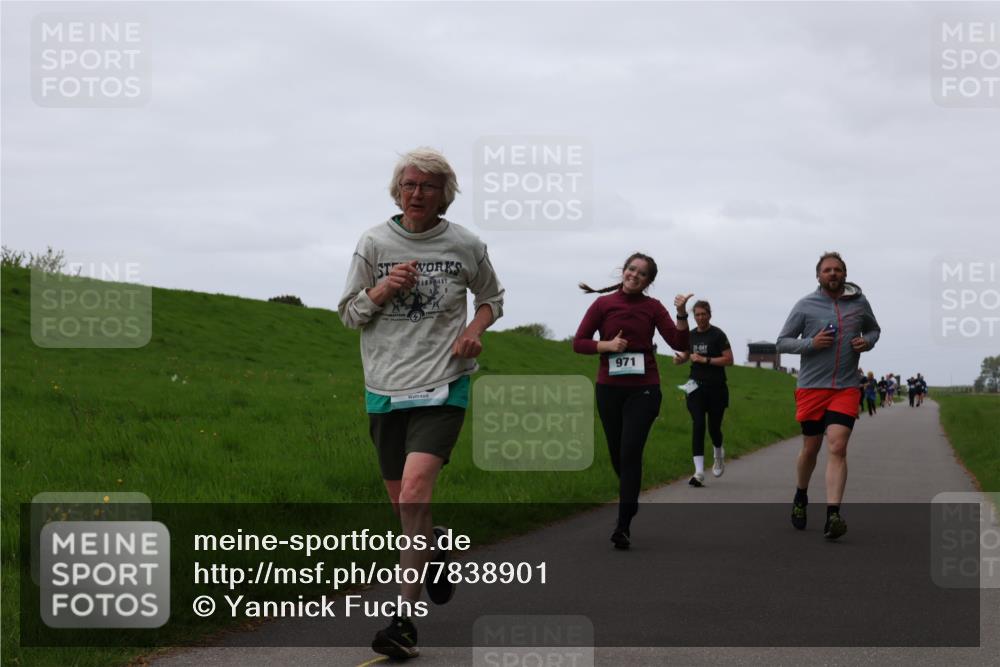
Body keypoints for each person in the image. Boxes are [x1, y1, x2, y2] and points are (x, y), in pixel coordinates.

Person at [338, 147, 505, 660]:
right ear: (398, 191)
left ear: (444, 195)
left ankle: (403, 623)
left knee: (413, 493)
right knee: (405, 508)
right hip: (384, 388)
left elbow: (492, 298)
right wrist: (383, 288)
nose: (416, 194)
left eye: (427, 187)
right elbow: (348, 314)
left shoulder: (465, 245)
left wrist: (475, 331)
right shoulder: (373, 243)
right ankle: (438, 547)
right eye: (409, 185)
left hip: (443, 385)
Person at [573, 253, 691, 549]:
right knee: (617, 455)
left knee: (629, 452)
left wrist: (681, 314)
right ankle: (630, 497)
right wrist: (607, 345)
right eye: (631, 269)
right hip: (609, 389)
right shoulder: (603, 304)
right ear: (623, 271)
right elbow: (580, 342)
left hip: (644, 389)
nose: (634, 275)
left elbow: (679, 344)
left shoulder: (653, 307)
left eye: (642, 274)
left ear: (649, 281)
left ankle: (622, 525)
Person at [776, 251, 880, 540]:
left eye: (837, 269)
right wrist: (811, 343)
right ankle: (800, 495)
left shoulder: (860, 303)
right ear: (818, 276)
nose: (832, 274)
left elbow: (874, 329)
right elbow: (781, 342)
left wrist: (866, 342)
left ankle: (833, 514)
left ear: (845, 274)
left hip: (846, 387)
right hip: (811, 387)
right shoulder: (805, 305)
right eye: (827, 270)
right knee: (811, 448)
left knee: (837, 446)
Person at [672, 300, 734, 486]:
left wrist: (705, 360)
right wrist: (680, 359)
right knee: (698, 424)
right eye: (697, 315)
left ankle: (718, 453)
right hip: (695, 387)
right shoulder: (690, 336)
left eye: (703, 314)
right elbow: (686, 355)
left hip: (716, 388)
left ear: (709, 314)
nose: (700, 318)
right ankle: (698, 472)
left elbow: (729, 360)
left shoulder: (718, 335)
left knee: (714, 428)